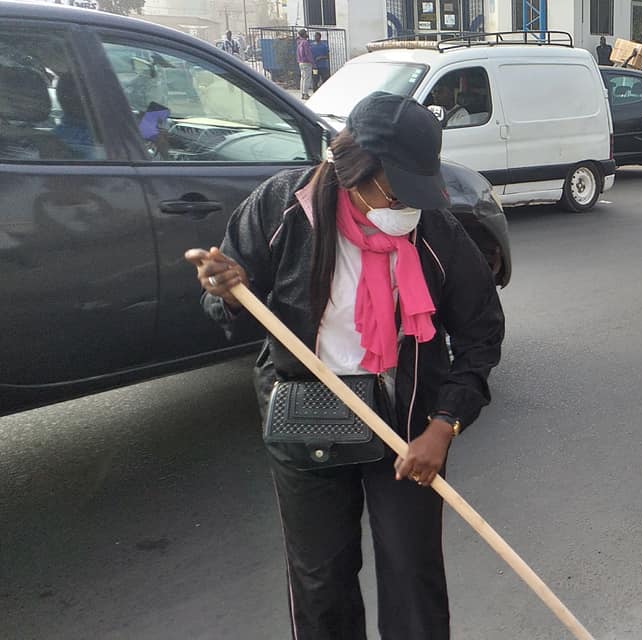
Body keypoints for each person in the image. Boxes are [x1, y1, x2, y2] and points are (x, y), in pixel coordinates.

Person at [184, 92, 505, 639]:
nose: (408, 206)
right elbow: (227, 308)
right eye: (397, 190)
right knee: (320, 581)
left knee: (413, 577)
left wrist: (444, 425)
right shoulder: (282, 209)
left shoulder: (435, 232)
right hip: (307, 412)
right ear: (357, 171)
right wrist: (228, 293)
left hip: (406, 424)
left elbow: (480, 335)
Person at [296, 29, 313, 100]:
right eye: (305, 33)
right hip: (306, 62)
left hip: (300, 62)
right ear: (303, 34)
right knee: (307, 78)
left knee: (302, 78)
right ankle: (305, 94)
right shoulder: (305, 42)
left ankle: (303, 93)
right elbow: (307, 53)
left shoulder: (299, 42)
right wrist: (312, 62)